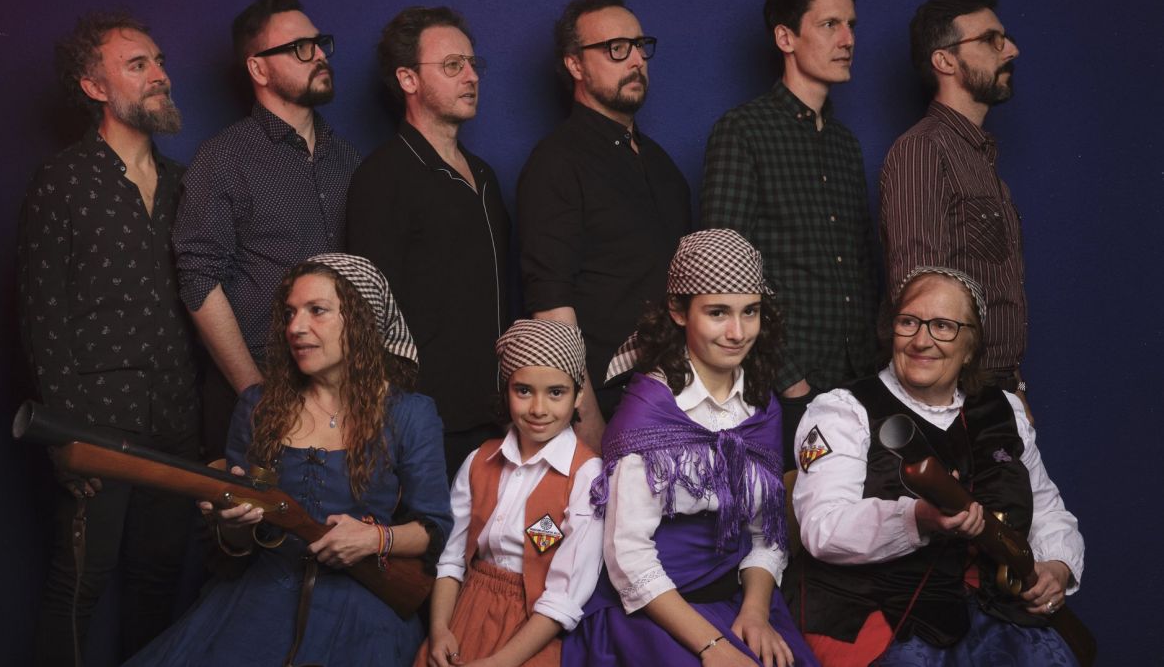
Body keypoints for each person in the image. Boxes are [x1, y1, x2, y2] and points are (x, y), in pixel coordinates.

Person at [126, 254, 453, 666]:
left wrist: (375, 539)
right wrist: (232, 526)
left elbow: (433, 528)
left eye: (317, 310)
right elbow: (236, 549)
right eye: (290, 313)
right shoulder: (258, 406)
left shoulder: (410, 413)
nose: (295, 327)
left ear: (362, 320)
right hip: (259, 598)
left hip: (362, 608)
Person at [18, 11, 200, 665]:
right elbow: (42, 317)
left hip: (177, 420)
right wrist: (68, 438)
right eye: (138, 65)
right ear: (95, 87)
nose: (160, 75)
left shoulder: (185, 184)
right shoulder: (62, 180)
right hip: (97, 423)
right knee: (79, 582)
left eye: (159, 61)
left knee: (158, 579)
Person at [790, 267, 1083, 666]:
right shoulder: (843, 411)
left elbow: (1046, 509)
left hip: (989, 610)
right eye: (908, 322)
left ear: (970, 346)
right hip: (875, 612)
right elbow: (822, 528)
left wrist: (1058, 566)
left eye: (943, 326)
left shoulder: (1004, 411)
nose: (921, 340)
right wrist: (917, 518)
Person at [563, 230, 818, 667]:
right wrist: (713, 646)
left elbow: (766, 533)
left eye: (750, 311)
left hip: (739, 599)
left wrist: (756, 613)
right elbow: (628, 557)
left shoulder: (761, 407)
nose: (738, 332)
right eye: (718, 312)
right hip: (655, 608)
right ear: (679, 312)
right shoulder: (649, 412)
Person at [700, 0, 877, 471]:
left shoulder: (845, 144)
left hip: (858, 379)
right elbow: (724, 268)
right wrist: (788, 376)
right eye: (829, 25)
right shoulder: (743, 131)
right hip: (788, 386)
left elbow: (862, 263)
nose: (847, 40)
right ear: (786, 38)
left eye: (851, 25)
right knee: (787, 515)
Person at [174, 0, 361, 459]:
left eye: (319, 43)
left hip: (345, 397)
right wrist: (255, 393)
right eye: (300, 47)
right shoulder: (224, 159)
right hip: (260, 392)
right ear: (258, 69)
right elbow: (197, 278)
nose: (318, 55)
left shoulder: (348, 158)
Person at [517, 0, 691, 447]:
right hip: (610, 400)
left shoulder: (662, 165)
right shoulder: (556, 162)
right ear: (575, 65)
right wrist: (587, 420)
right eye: (616, 48)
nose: (635, 59)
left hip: (679, 397)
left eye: (639, 45)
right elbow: (550, 303)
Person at [348, 6, 510, 477]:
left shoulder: (485, 175)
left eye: (473, 64)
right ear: (408, 79)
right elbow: (368, 315)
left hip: (500, 414)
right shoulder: (382, 177)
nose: (471, 76)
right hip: (425, 423)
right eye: (452, 65)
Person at [416, 319, 603, 667]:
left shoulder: (586, 475)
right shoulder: (479, 461)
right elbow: (451, 559)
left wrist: (500, 661)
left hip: (535, 627)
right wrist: (439, 629)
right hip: (466, 611)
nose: (538, 409)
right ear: (506, 391)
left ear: (578, 394)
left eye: (556, 392)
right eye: (524, 391)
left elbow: (565, 595)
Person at [879, 0, 1028, 398]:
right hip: (956, 395)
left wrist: (1014, 390)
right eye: (991, 40)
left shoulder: (979, 157)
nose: (1011, 50)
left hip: (996, 390)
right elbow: (918, 296)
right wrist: (947, 410)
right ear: (944, 61)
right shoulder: (923, 150)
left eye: (1005, 38)